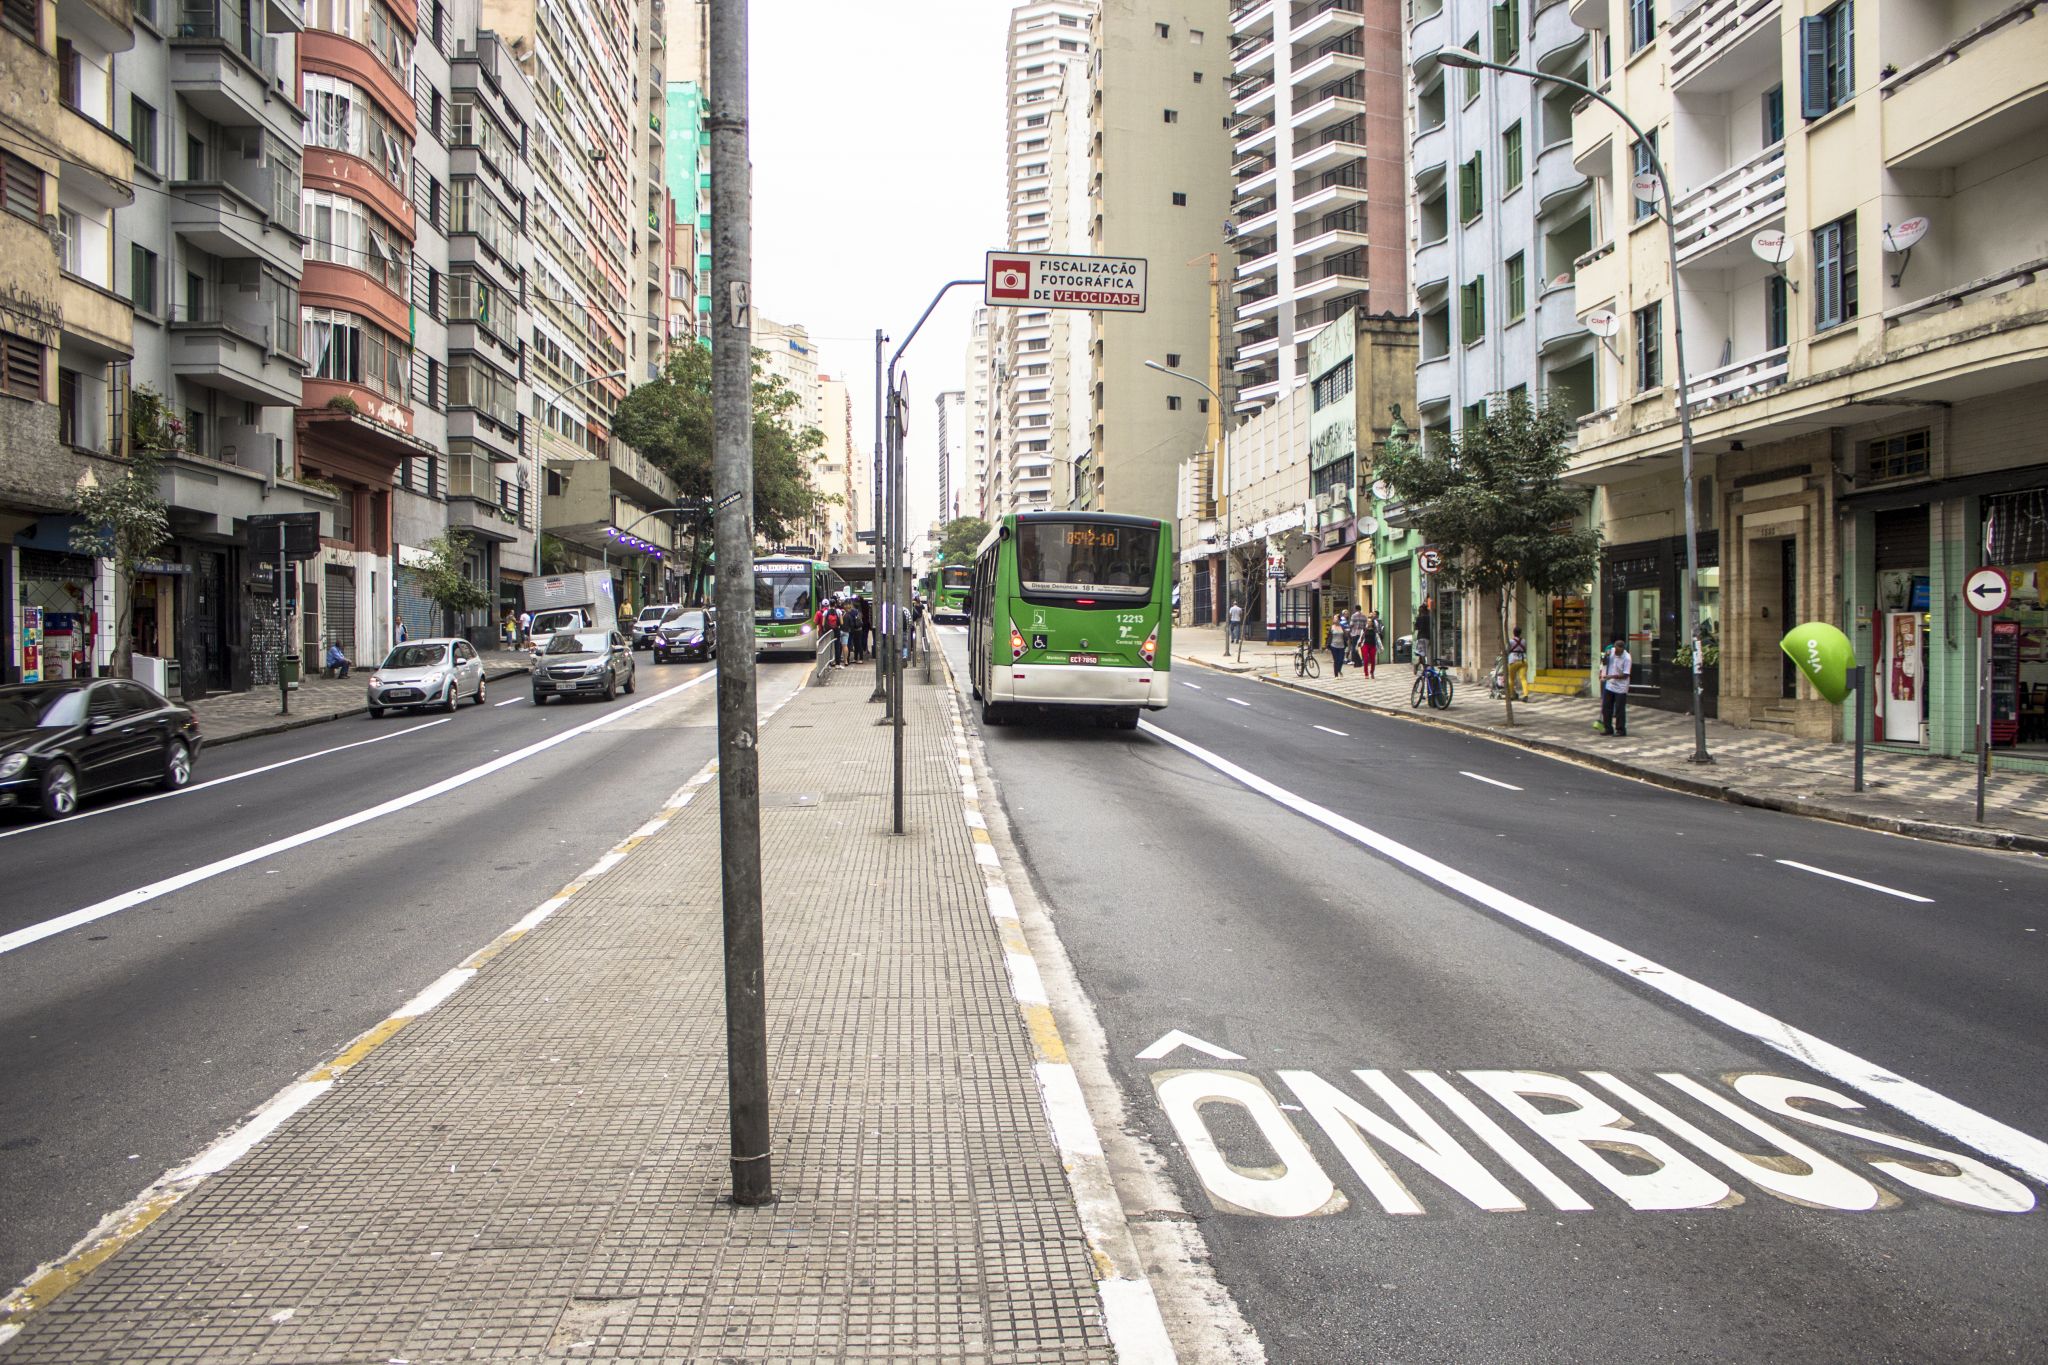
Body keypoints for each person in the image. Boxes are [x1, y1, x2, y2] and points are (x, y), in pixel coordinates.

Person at [1599, 633, 1631, 736]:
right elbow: (1604, 663)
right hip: (1610, 685)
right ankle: (1608, 728)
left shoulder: (1627, 658)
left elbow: (1625, 675)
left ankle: (1621, 730)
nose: (1616, 653)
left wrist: (1611, 676)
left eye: (1618, 651)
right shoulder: (1611, 652)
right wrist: (1605, 656)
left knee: (1619, 709)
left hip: (1621, 687)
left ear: (1623, 649)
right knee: (1606, 707)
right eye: (1615, 650)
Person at [1506, 627, 1529, 701]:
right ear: (1520, 633)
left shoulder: (1511, 641)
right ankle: (1526, 695)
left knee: (1511, 679)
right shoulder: (1524, 641)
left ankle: (1512, 695)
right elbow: (1525, 649)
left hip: (1513, 661)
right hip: (1523, 660)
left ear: (1513, 633)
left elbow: (1507, 650)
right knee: (1523, 679)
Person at [1330, 606, 1349, 677]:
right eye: (1334, 618)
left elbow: (1345, 635)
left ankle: (1339, 670)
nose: (1334, 619)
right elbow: (1329, 637)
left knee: (1340, 660)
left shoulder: (1342, 627)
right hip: (1334, 646)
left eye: (1335, 618)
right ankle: (1336, 675)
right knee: (1336, 660)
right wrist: (1327, 645)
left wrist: (1346, 636)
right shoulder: (1331, 627)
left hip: (1341, 646)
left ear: (1338, 619)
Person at [1360, 611, 1380, 679]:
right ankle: (1366, 673)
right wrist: (1359, 644)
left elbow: (1377, 639)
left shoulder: (1374, 630)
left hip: (1373, 645)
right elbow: (1361, 637)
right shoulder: (1364, 629)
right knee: (1365, 659)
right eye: (1367, 622)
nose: (1368, 623)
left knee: (1373, 660)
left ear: (1372, 623)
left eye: (1370, 622)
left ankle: (1372, 672)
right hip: (1365, 645)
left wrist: (1381, 647)